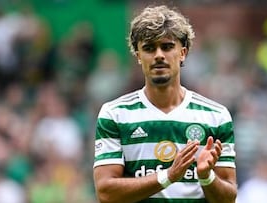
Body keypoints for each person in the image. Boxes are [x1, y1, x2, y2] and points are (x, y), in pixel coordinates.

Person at [93, 5, 237, 203]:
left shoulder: (216, 116)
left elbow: (228, 199)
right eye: (149, 48)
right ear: (138, 56)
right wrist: (168, 176)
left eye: (167, 46)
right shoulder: (115, 114)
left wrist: (206, 176)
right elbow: (106, 193)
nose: (159, 55)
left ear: (183, 53)